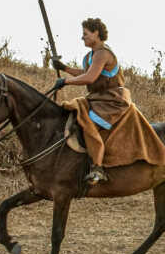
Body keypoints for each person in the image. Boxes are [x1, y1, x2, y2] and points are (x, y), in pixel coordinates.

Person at [52, 17, 130, 185]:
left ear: (96, 33)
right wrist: (64, 68)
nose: (83, 37)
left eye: (85, 34)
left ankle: (97, 168)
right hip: (98, 98)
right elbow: (85, 71)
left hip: (112, 100)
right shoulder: (90, 56)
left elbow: (90, 77)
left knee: (87, 121)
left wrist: (65, 81)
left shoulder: (103, 53)